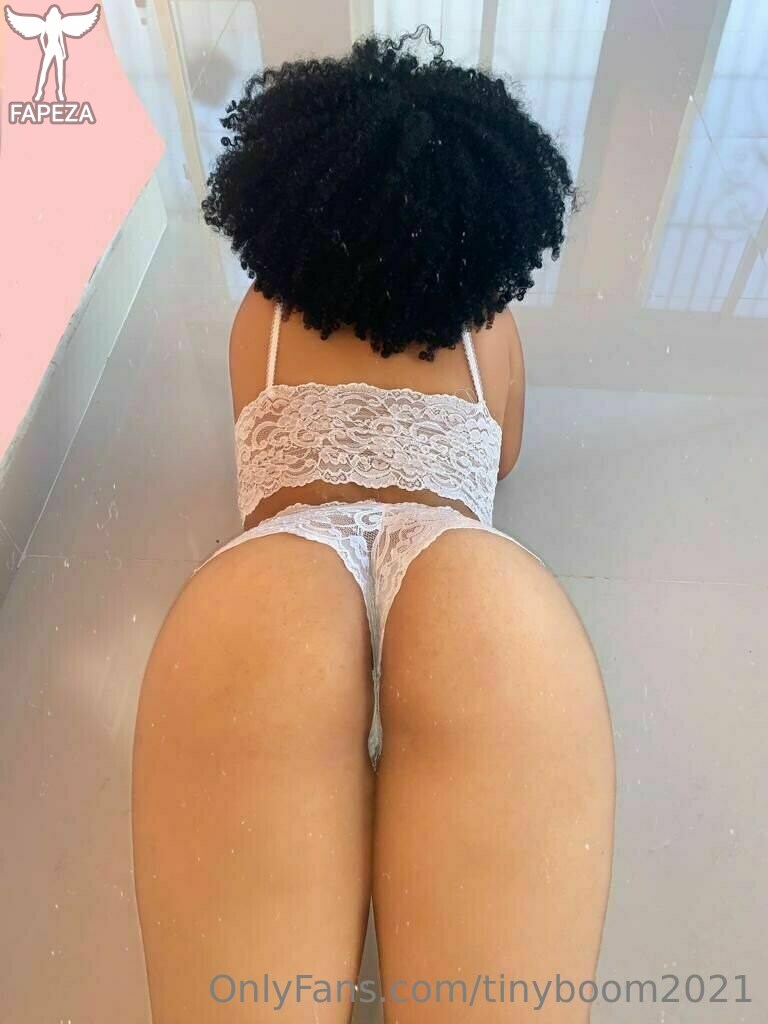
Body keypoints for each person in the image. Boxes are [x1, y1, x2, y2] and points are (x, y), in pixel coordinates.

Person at [131, 25, 615, 1024]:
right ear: (486, 219)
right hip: (479, 600)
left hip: (271, 594)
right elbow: (504, 453)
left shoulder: (259, 322)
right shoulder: (491, 332)